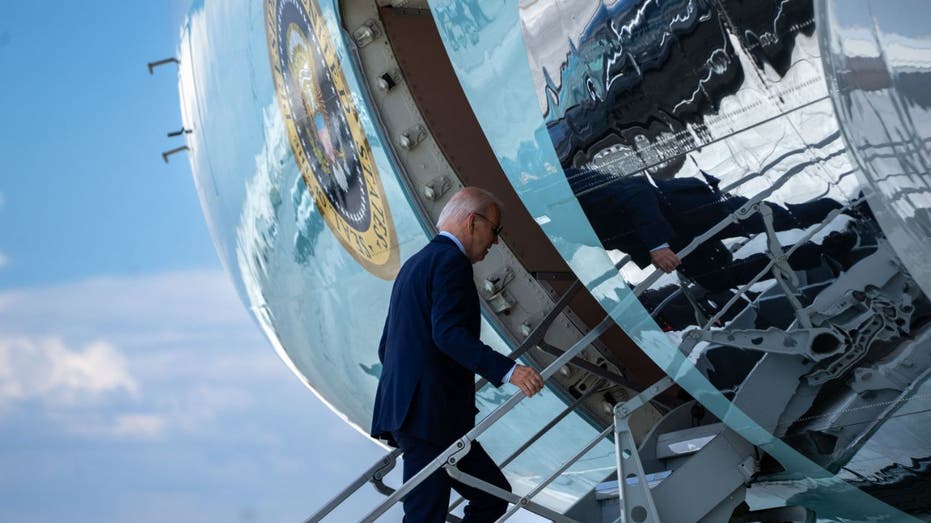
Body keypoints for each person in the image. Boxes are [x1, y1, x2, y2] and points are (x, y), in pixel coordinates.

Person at [371, 187, 545, 522]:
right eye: (495, 230)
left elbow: (386, 347)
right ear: (472, 222)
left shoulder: (414, 265)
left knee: (492, 496)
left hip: (424, 414)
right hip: (428, 416)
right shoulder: (452, 261)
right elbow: (448, 334)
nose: (495, 241)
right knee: (426, 514)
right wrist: (509, 371)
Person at [567, 167, 856, 292]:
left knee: (781, 219)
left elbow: (635, 191)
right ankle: (819, 253)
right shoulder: (551, 223)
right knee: (716, 280)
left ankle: (849, 208)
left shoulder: (562, 186)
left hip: (684, 211)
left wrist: (657, 245)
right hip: (676, 240)